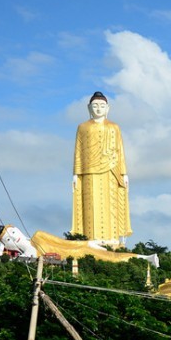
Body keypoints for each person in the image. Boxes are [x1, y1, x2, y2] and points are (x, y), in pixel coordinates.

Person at [71, 91, 132, 246]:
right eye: (95, 106)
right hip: (88, 171)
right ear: (89, 108)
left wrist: (124, 173)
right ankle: (91, 239)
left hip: (111, 170)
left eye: (102, 106)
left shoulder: (114, 127)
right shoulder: (83, 127)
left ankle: (112, 240)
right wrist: (76, 173)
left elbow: (120, 150)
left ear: (108, 108)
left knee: (110, 204)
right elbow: (78, 151)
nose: (98, 109)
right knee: (91, 204)